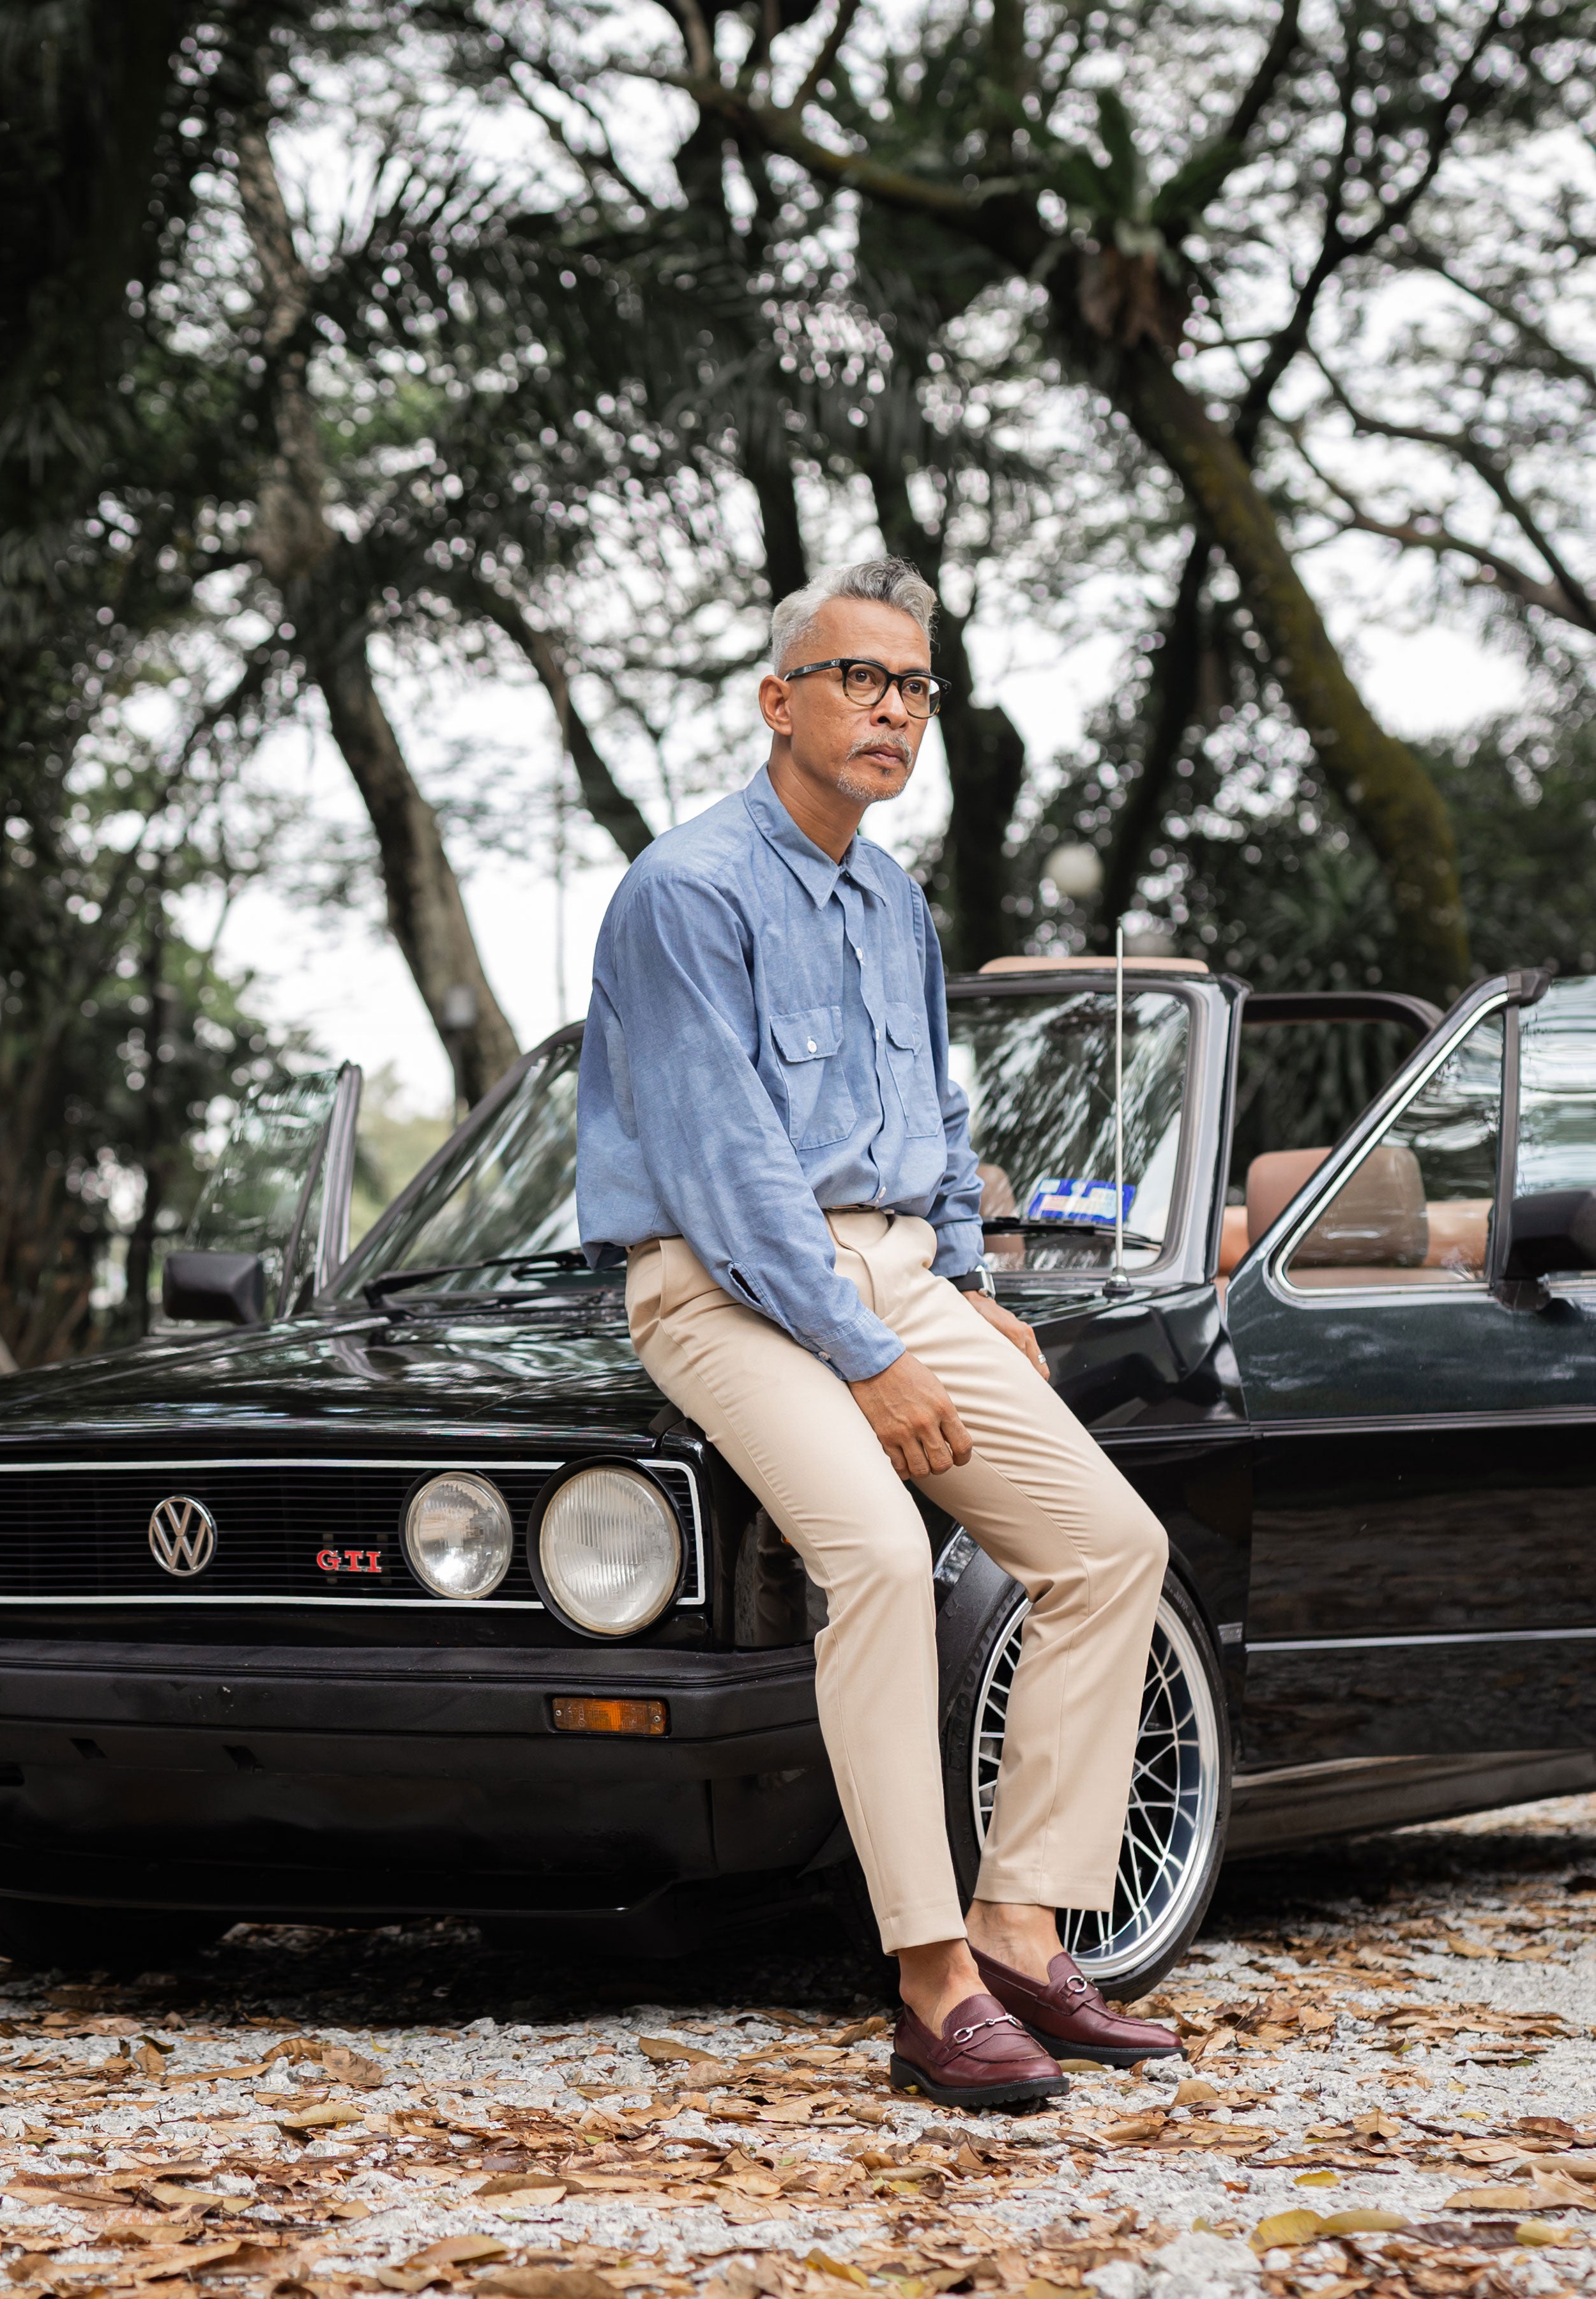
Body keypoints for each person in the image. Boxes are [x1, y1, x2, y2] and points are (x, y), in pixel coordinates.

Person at [577, 557, 1180, 2106]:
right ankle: (930, 1979)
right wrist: (869, 1357)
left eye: (914, 687)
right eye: (860, 680)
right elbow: (729, 1176)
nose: (892, 711)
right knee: (882, 1556)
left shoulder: (892, 892)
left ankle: (1028, 1932)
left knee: (1111, 1548)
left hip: (904, 1275)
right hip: (720, 1289)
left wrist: (966, 1285)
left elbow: (935, 1112)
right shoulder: (687, 890)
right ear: (779, 702)